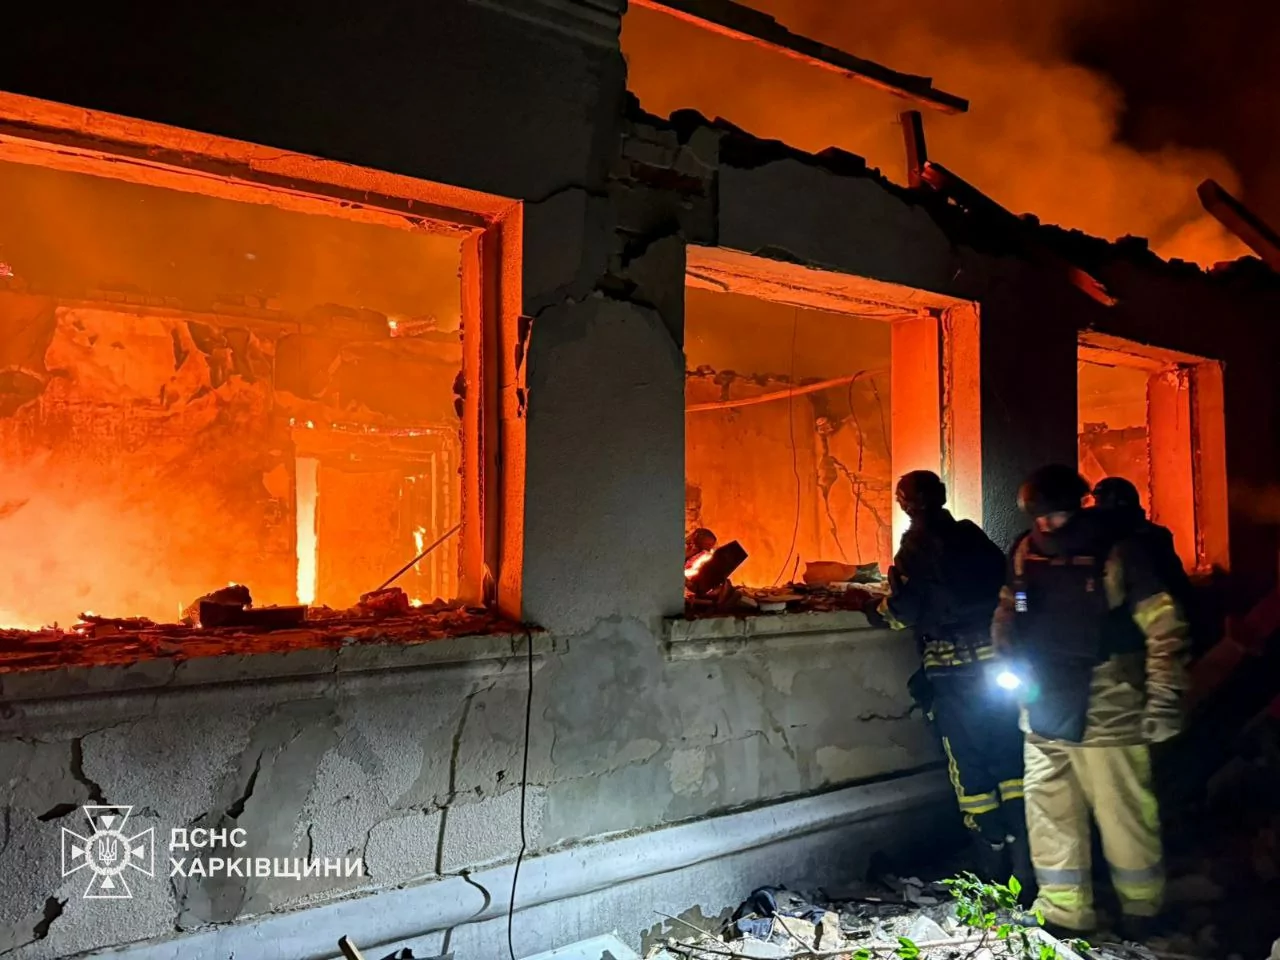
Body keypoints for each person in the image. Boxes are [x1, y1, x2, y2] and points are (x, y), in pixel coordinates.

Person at [993, 465, 1189, 938]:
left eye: (1056, 516)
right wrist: (1004, 646)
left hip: (1109, 705)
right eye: (1038, 517)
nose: (1047, 527)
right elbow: (1009, 606)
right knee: (1048, 813)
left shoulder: (1118, 555)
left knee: (1124, 814)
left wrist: (1164, 702)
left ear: (1079, 506)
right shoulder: (1024, 551)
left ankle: (1144, 911)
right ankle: (1064, 913)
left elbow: (1165, 630)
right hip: (1040, 706)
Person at [879, 471, 1028, 886]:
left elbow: (905, 610)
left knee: (969, 767)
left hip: (951, 673)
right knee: (1009, 758)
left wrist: (882, 607)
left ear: (907, 503)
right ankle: (1025, 862)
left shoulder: (915, 546)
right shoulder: (971, 535)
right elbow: (1012, 586)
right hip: (995, 667)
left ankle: (993, 868)